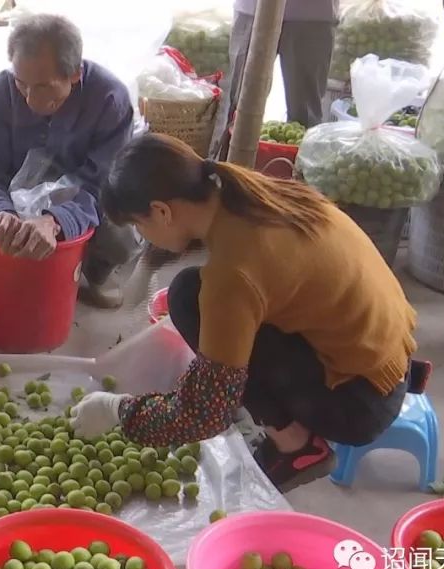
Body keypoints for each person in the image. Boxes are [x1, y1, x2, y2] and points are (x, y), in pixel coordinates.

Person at [70, 134, 423, 492]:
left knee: (189, 300)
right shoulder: (250, 192)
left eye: (138, 226)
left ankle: (298, 446)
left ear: (162, 211)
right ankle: (292, 430)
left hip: (360, 402)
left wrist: (119, 411)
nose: (143, 237)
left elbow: (205, 413)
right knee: (192, 293)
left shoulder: (234, 272)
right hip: (390, 360)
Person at [0, 14, 138, 309]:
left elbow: (103, 184)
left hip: (83, 196)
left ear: (74, 74)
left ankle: (95, 272)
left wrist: (54, 220)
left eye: (44, 86)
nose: (30, 99)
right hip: (15, 196)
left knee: (119, 233)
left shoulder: (110, 98)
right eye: (22, 83)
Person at [212, 0, 338, 158]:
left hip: (311, 14)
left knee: (305, 119)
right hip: (252, 10)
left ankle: (299, 177)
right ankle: (226, 174)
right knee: (238, 110)